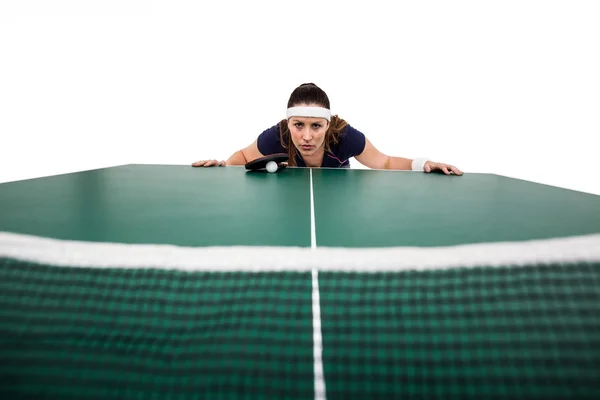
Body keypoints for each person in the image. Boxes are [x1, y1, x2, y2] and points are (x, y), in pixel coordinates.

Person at [192, 83, 463, 175]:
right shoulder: (278, 136)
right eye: (299, 125)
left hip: (336, 198)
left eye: (316, 126)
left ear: (328, 124)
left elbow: (386, 161)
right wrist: (223, 167)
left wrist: (424, 163)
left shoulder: (345, 137)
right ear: (288, 124)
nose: (307, 136)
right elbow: (242, 156)